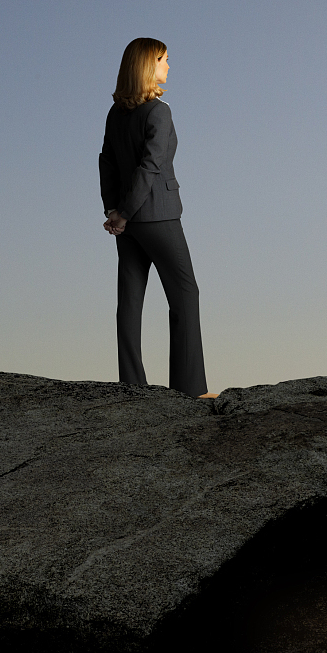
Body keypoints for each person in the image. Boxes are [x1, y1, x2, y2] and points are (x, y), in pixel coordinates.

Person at [98, 37, 213, 397]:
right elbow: (151, 166)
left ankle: (131, 387)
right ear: (148, 65)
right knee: (185, 295)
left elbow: (106, 162)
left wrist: (114, 211)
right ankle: (189, 390)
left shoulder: (116, 113)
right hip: (158, 217)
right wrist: (127, 212)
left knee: (130, 301)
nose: (168, 66)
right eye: (163, 59)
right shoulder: (158, 111)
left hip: (127, 222)